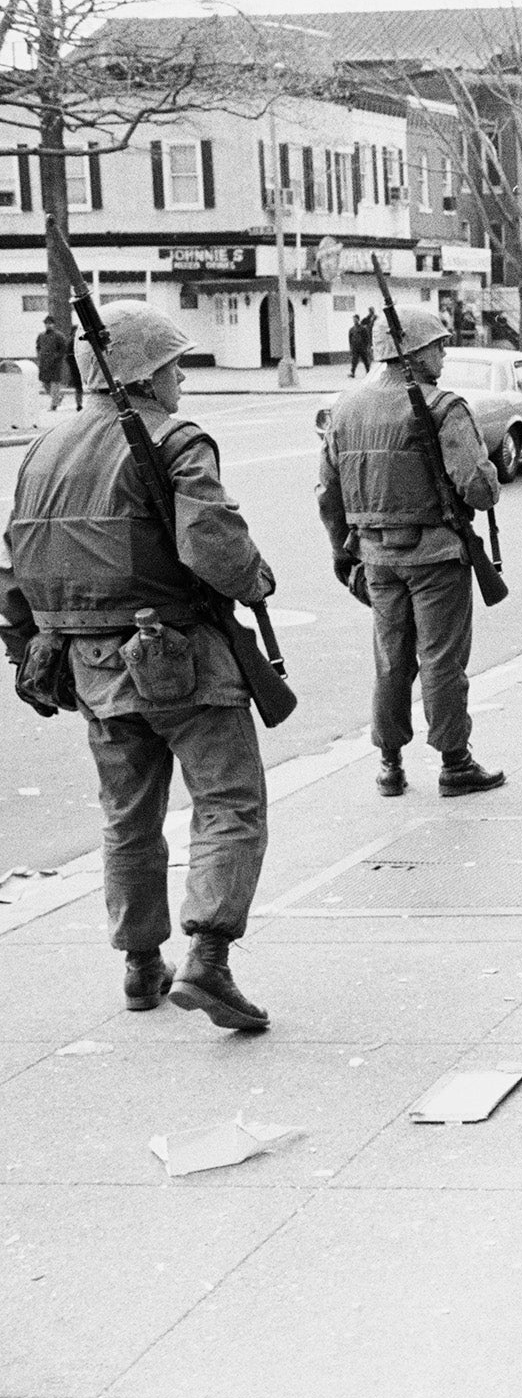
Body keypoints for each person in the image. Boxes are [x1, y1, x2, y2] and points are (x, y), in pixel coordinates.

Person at [1, 303, 276, 1029]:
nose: (183, 377)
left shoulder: (42, 449)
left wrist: (27, 646)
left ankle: (140, 963)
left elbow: (12, 567)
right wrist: (256, 581)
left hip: (88, 664)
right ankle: (209, 958)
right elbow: (215, 544)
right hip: (179, 657)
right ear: (147, 376)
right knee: (229, 801)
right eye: (175, 365)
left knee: (128, 818)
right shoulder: (173, 437)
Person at [317, 304, 505, 801]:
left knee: (391, 661)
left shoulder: (345, 408)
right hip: (436, 556)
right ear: (413, 353)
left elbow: (327, 494)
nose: (443, 353)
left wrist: (344, 552)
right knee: (442, 661)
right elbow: (478, 488)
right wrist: (485, 480)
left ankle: (390, 764)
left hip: (376, 558)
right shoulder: (443, 407)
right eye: (437, 345)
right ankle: (455, 762)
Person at [35, 315, 76, 412]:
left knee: (54, 383)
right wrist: (39, 356)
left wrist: (56, 358)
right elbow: (38, 347)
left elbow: (63, 349)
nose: (48, 325)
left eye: (50, 323)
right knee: (45, 384)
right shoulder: (41, 336)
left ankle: (54, 405)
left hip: (55, 364)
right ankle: (58, 397)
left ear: (53, 324)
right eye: (46, 323)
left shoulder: (59, 336)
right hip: (44, 363)